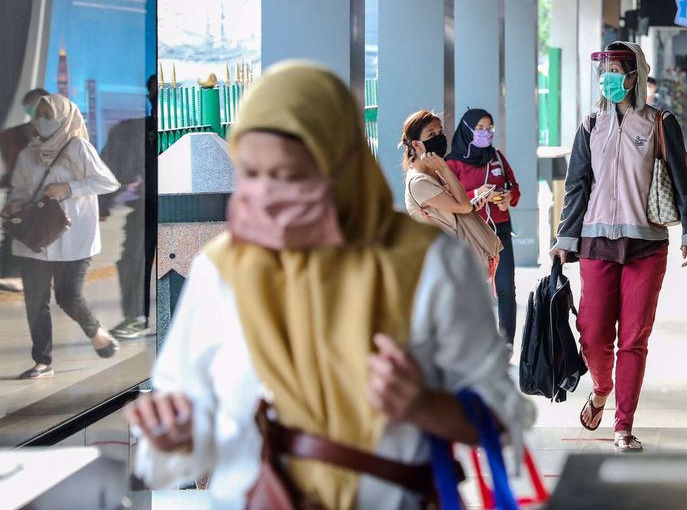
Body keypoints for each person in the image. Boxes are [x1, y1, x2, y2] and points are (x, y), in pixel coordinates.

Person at [128, 62, 534, 510]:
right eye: (253, 173)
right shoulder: (221, 272)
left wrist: (422, 406)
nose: (267, 195)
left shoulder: (427, 264)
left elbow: (506, 417)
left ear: (340, 163)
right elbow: (161, 460)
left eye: (289, 173)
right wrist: (174, 437)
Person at [552, 41, 687, 453]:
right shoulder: (589, 126)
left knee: (634, 338)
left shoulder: (659, 122)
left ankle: (623, 424)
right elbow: (577, 185)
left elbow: (681, 179)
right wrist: (565, 237)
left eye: (618, 71)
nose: (610, 78)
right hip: (595, 242)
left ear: (636, 76)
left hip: (646, 243)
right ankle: (601, 388)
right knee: (593, 334)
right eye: (606, 72)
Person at [2, 94, 120, 379]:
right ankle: (43, 361)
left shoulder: (77, 147)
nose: (41, 120)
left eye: (47, 114)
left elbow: (108, 182)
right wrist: (14, 203)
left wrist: (69, 189)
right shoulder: (30, 151)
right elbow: (20, 188)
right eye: (38, 114)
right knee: (35, 300)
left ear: (63, 117)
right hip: (34, 239)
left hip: (74, 237)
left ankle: (96, 332)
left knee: (68, 297)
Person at [445, 108, 523, 350]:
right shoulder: (452, 163)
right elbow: (446, 200)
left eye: (489, 128)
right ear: (467, 131)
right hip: (469, 232)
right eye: (479, 129)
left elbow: (515, 189)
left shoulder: (496, 157)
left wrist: (508, 197)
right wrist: (475, 195)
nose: (485, 133)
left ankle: (506, 342)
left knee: (506, 286)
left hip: (499, 229)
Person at [100, 76, 155, 340]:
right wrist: (103, 203)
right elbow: (114, 170)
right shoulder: (134, 131)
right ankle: (136, 316)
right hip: (147, 207)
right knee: (132, 259)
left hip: (179, 206)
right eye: (154, 92)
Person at [0, 87, 50, 292]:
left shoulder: (59, 134)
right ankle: (9, 273)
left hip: (45, 192)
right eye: (30, 106)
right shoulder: (11, 134)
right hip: (20, 191)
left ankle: (22, 274)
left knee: (40, 233)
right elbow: (12, 169)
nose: (34, 110)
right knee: (13, 229)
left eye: (39, 104)